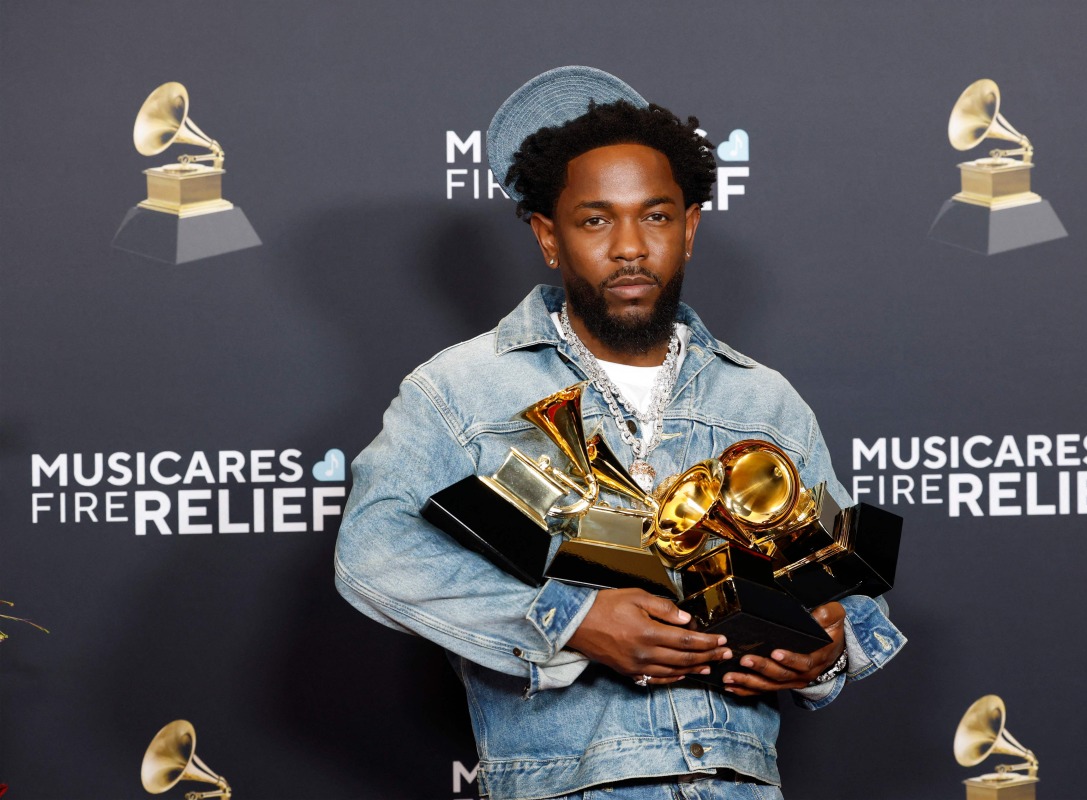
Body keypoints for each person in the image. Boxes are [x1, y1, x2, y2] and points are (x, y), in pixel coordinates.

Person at [335, 66, 905, 800]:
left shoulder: (764, 399)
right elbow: (372, 552)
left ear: (690, 227)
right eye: (596, 219)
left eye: (657, 216)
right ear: (549, 236)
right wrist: (570, 621)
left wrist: (823, 652)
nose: (630, 246)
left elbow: (849, 589)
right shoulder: (459, 390)